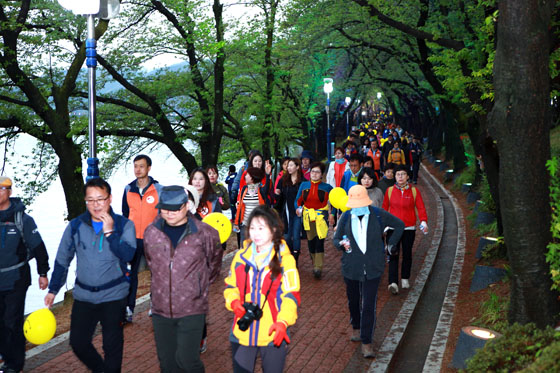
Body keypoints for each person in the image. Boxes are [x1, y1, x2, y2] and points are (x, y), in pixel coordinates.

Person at [45, 178, 136, 373]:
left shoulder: (124, 225)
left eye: (100, 199)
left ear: (109, 199)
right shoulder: (76, 226)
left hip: (114, 295)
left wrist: (110, 232)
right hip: (84, 296)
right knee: (78, 343)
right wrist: (53, 289)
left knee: (112, 346)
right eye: (90, 200)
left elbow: (129, 254)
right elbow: (63, 259)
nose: (96, 205)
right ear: (85, 201)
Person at [144, 185, 222, 373]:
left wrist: (197, 286)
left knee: (187, 360)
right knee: (167, 364)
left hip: (192, 307)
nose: (169, 213)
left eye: (175, 208)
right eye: (165, 208)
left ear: (187, 205)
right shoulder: (151, 233)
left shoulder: (205, 233)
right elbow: (151, 263)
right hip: (161, 309)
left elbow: (214, 263)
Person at [224, 205, 300, 373]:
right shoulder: (240, 257)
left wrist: (283, 322)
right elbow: (231, 287)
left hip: (273, 334)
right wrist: (234, 302)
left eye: (261, 228)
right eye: (252, 228)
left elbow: (291, 296)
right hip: (242, 332)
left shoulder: (285, 261)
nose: (255, 233)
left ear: (274, 229)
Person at [334, 185, 404, 358]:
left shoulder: (378, 214)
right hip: (351, 267)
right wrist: (341, 244)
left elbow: (399, 225)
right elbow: (335, 239)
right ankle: (356, 327)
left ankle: (367, 342)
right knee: (354, 300)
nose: (357, 207)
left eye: (360, 203)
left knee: (369, 305)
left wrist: (391, 245)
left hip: (373, 267)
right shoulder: (346, 216)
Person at [0, 176, 49, 373]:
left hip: (16, 279)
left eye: (2, 189)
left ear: (9, 192)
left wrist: (43, 273)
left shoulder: (23, 220)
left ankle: (15, 364)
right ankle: (6, 356)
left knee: (12, 321)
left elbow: (39, 248)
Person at [122, 154, 163, 323]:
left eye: (141, 166)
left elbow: (164, 215)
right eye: (135, 166)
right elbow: (125, 214)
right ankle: (128, 309)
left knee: (157, 274)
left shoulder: (159, 189)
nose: (138, 170)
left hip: (153, 239)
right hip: (133, 239)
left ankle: (156, 304)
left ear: (149, 168)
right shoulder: (128, 189)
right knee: (130, 275)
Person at [382, 165, 429, 295]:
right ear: (394, 176)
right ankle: (393, 282)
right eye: (398, 174)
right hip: (393, 228)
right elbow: (384, 208)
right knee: (392, 253)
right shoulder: (390, 191)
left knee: (407, 253)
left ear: (408, 176)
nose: (400, 177)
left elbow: (420, 207)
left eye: (403, 174)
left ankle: (405, 277)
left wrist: (423, 221)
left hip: (409, 228)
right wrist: (384, 225)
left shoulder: (414, 192)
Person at [295, 162, 333, 279]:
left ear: (322, 174)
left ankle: (318, 267)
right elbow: (298, 200)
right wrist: (298, 208)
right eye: (312, 172)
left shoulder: (327, 188)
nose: (314, 174)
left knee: (319, 242)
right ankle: (314, 262)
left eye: (317, 172)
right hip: (308, 218)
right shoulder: (304, 185)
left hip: (321, 217)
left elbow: (335, 202)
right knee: (311, 242)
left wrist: (333, 214)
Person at [274, 158, 304, 265]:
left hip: (297, 212)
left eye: (291, 165)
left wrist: (302, 208)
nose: (289, 167)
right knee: (287, 236)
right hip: (286, 212)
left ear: (297, 167)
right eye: (288, 166)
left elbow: (305, 198)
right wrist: (277, 194)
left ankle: (295, 257)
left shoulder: (302, 182)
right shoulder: (283, 180)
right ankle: (289, 255)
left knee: (296, 235)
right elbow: (279, 197)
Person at [234, 167, 272, 244]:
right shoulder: (244, 189)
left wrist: (267, 175)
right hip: (245, 224)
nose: (245, 176)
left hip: (258, 225)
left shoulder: (261, 190)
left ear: (252, 177)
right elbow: (240, 208)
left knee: (258, 246)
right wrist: (236, 223)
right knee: (244, 248)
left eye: (247, 175)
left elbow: (267, 188)